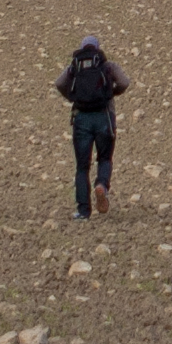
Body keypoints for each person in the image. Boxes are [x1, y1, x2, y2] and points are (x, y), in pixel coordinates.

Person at [52, 35, 131, 218]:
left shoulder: (75, 66)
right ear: (97, 48)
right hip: (104, 116)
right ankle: (101, 185)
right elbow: (124, 82)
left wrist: (73, 97)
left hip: (81, 119)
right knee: (104, 158)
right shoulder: (107, 65)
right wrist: (111, 93)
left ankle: (83, 211)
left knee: (82, 166)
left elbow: (59, 83)